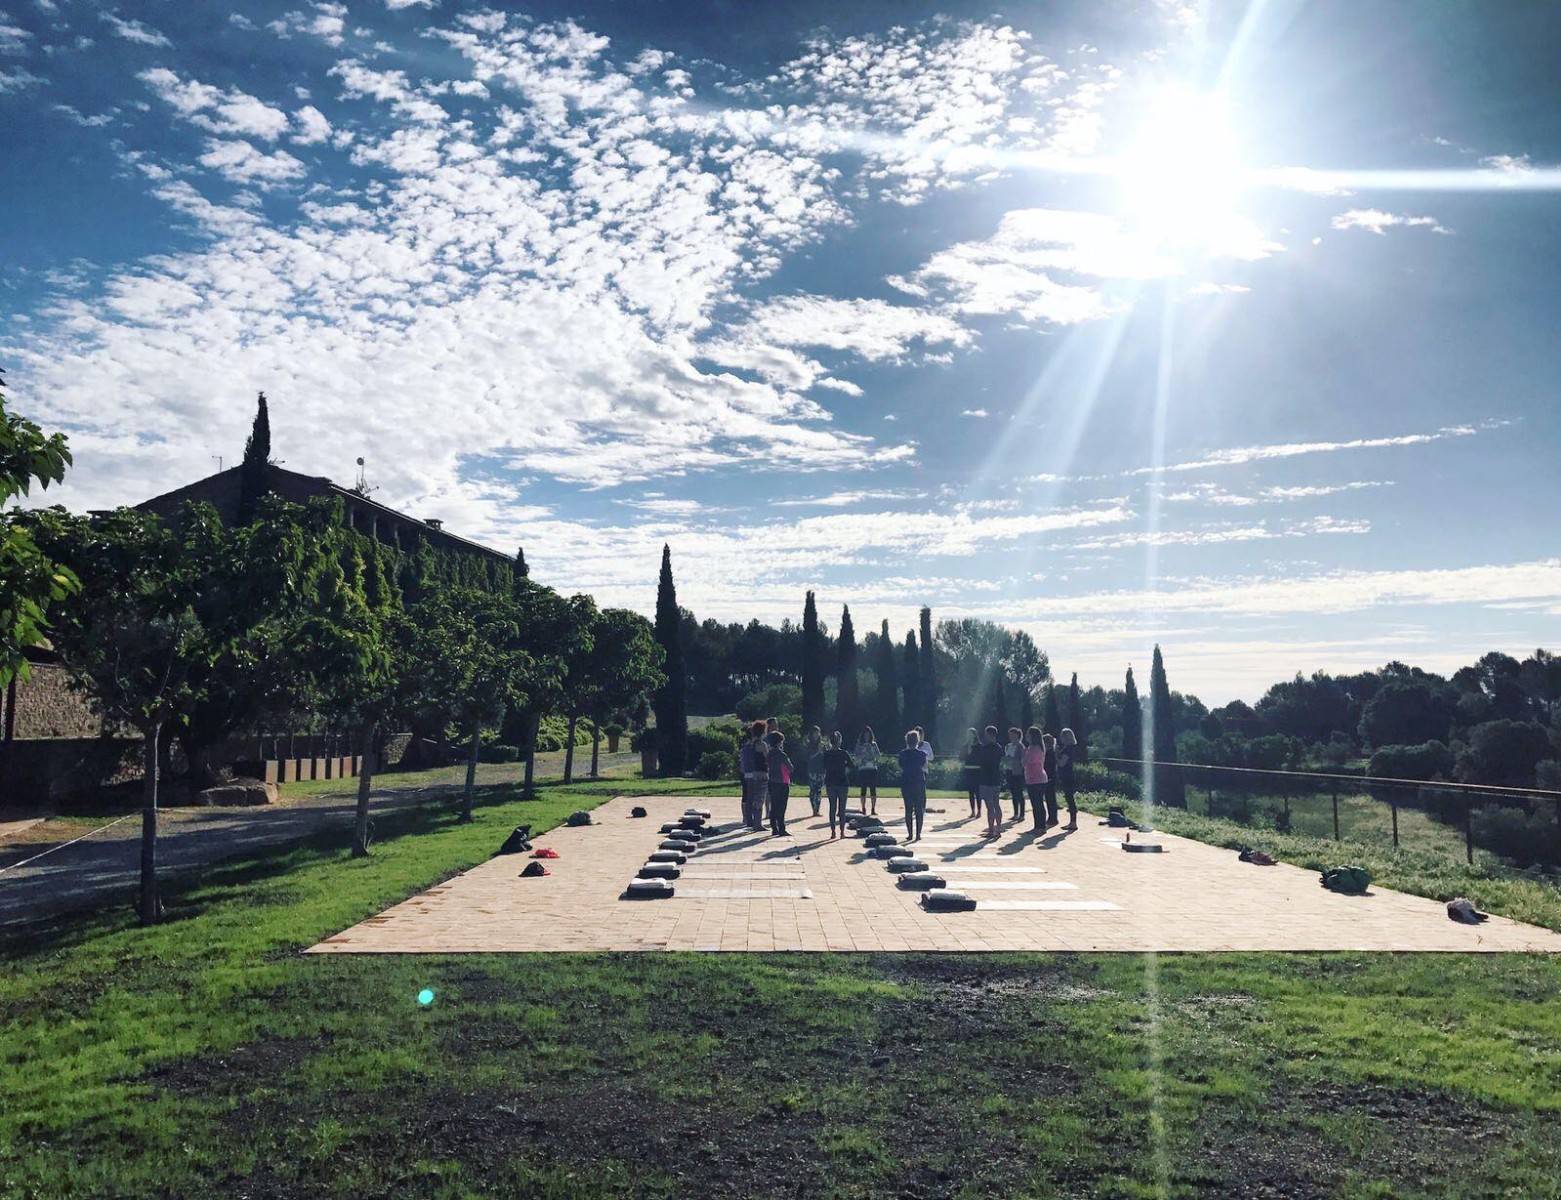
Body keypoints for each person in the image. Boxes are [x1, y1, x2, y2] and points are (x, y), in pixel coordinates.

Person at [974, 726, 1005, 837]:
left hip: (986, 778)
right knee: (997, 804)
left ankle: (991, 830)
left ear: (989, 734)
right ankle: (999, 829)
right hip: (996, 777)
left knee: (989, 806)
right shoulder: (999, 748)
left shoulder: (985, 748)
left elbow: (981, 761)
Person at [898, 730, 928, 842]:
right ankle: (918, 834)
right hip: (919, 782)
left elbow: (901, 766)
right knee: (919, 809)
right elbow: (924, 766)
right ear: (917, 741)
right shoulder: (922, 754)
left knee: (908, 809)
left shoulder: (903, 754)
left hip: (906, 782)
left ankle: (910, 834)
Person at [822, 731, 853, 838]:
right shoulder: (844, 753)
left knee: (832, 807)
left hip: (830, 782)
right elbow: (852, 766)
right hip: (842, 782)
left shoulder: (827, 754)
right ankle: (842, 832)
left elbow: (824, 767)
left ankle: (833, 831)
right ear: (840, 741)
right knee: (842, 809)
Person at [740, 720, 768, 831]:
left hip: (749, 774)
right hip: (761, 773)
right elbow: (767, 758)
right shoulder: (762, 745)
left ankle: (749, 821)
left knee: (750, 797)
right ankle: (758, 823)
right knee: (760, 798)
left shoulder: (748, 744)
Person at [1023, 726, 1052, 831]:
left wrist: (1023, 754)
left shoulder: (1033, 748)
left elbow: (1025, 762)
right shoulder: (1039, 747)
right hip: (1039, 777)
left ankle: (1038, 826)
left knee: (1036, 804)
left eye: (1028, 734)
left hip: (1035, 779)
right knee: (1039, 803)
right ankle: (1041, 826)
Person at [765, 730, 794, 836]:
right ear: (779, 743)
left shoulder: (769, 754)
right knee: (782, 806)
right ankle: (781, 827)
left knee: (774, 804)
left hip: (772, 781)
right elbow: (790, 768)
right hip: (783, 782)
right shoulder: (782, 754)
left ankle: (774, 827)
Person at [1057, 728, 1080, 831]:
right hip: (1066, 774)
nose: (1060, 738)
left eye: (1062, 736)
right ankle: (1072, 821)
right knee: (1068, 798)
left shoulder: (1069, 748)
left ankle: (1073, 822)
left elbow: (1062, 762)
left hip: (1067, 775)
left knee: (1070, 798)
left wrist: (1056, 755)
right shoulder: (1066, 747)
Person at [854, 726, 880, 815]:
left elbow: (878, 755)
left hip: (872, 768)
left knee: (873, 790)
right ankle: (863, 808)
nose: (867, 737)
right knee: (863, 789)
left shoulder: (874, 744)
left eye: (868, 735)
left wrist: (872, 756)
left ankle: (873, 808)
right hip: (863, 769)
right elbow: (856, 757)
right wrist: (862, 758)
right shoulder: (859, 745)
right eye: (865, 735)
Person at [1003, 726, 1026, 821]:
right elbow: (1005, 757)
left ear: (1017, 735)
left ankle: (1022, 814)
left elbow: (1022, 759)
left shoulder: (1020, 746)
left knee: (1019, 792)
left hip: (1018, 771)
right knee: (1013, 792)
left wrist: (1013, 760)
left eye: (1012, 735)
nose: (1010, 737)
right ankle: (1015, 813)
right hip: (1009, 770)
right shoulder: (1008, 746)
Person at [804, 726, 827, 817]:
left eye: (818, 733)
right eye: (815, 733)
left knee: (819, 791)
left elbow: (826, 756)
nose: (817, 735)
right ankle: (814, 809)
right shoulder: (809, 745)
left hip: (821, 770)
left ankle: (817, 809)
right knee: (813, 790)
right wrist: (818, 752)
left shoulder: (822, 745)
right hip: (812, 770)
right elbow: (808, 758)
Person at [961, 728, 981, 819]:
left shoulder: (979, 745)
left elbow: (981, 758)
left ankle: (979, 810)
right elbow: (961, 758)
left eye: (970, 734)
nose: (969, 736)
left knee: (978, 792)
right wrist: (967, 751)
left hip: (977, 770)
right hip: (968, 769)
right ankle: (973, 811)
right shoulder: (965, 746)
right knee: (971, 792)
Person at [1042, 732, 1060, 831]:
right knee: (1049, 798)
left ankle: (1053, 818)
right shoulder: (1048, 752)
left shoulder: (1050, 753)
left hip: (1050, 777)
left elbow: (1049, 766)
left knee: (1051, 798)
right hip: (1049, 776)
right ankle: (1052, 817)